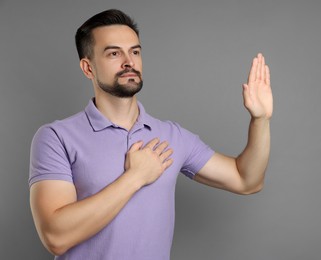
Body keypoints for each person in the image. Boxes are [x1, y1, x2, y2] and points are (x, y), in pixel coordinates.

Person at [29, 9, 273, 260]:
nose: (129, 62)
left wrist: (260, 119)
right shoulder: (56, 137)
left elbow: (247, 180)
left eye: (135, 51)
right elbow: (55, 237)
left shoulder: (172, 136)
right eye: (114, 53)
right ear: (88, 67)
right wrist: (135, 177)